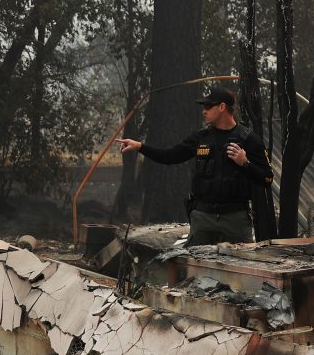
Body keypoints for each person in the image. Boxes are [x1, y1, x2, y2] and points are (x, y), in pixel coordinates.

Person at [117, 85, 273, 246]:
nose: (203, 111)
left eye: (207, 106)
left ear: (222, 107)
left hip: (235, 219)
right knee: (196, 267)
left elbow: (267, 179)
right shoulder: (200, 138)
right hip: (202, 218)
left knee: (241, 268)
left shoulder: (249, 140)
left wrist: (245, 163)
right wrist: (140, 147)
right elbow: (170, 156)